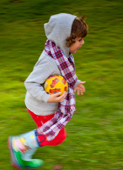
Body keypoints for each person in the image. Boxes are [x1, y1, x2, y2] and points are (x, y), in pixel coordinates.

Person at [8, 13, 88, 169]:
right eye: (79, 40)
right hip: (41, 106)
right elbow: (30, 83)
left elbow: (65, 73)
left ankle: (22, 155)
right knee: (56, 136)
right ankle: (19, 144)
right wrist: (48, 98)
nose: (82, 43)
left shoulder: (61, 54)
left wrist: (75, 82)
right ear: (66, 39)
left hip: (46, 105)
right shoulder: (49, 61)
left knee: (46, 131)